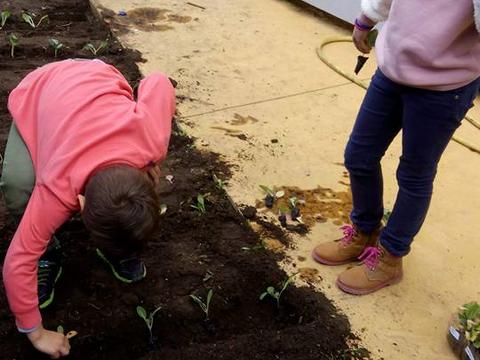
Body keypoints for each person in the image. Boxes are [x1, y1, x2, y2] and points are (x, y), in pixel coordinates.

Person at [1, 59, 175, 358]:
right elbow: (17, 262)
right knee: (17, 186)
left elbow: (160, 81)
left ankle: (120, 244)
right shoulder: (56, 187)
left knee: (136, 195)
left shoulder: (151, 140)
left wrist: (154, 162)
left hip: (98, 77)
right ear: (78, 204)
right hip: (43, 91)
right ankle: (51, 252)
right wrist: (36, 333)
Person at [312, 0, 480, 295]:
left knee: (414, 175)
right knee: (359, 155)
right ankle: (365, 232)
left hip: (444, 87)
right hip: (392, 71)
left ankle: (390, 257)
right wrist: (366, 18)